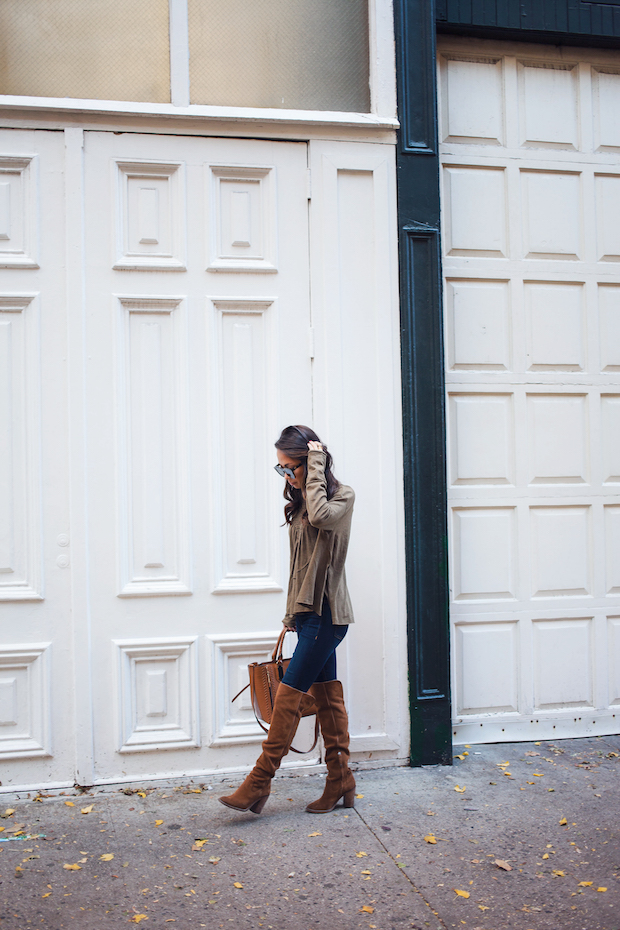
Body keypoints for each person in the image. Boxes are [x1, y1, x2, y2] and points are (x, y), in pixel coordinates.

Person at [220, 424, 355, 816]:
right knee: (327, 694)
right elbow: (300, 567)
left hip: (328, 616)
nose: (286, 476)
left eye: (289, 467)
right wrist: (290, 614)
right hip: (308, 615)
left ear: (312, 463)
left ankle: (258, 783)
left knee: (288, 697)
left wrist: (314, 466)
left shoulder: (340, 497)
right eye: (279, 469)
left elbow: (322, 515)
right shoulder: (299, 503)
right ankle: (340, 780)